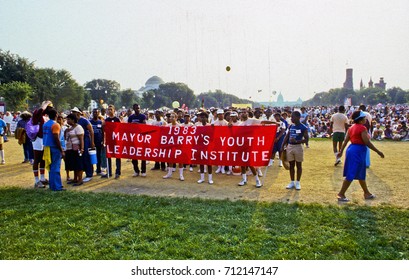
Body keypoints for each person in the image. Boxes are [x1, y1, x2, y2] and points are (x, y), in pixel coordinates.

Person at [336, 111, 385, 202]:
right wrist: (378, 151)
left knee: (360, 172)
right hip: (358, 151)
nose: (365, 119)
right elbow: (367, 142)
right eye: (364, 118)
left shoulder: (351, 128)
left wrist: (341, 151)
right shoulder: (362, 128)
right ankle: (341, 194)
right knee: (352, 173)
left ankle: (366, 193)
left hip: (352, 150)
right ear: (360, 120)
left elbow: (346, 141)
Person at [281, 111, 309, 190]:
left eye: (293, 117)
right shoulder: (291, 126)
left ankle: (298, 182)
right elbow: (287, 136)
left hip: (298, 147)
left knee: (299, 165)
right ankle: (292, 181)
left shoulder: (303, 127)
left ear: (298, 117)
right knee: (291, 165)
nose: (291, 118)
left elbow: (306, 139)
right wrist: (282, 145)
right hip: (290, 146)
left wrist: (297, 141)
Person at [31, 101, 53, 188]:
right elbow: (41, 109)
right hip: (38, 139)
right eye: (49, 108)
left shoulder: (46, 116)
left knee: (43, 159)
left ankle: (43, 178)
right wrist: (46, 103)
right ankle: (36, 180)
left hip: (44, 139)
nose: (50, 109)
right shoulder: (38, 113)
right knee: (37, 159)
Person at [42, 108, 65, 191]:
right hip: (54, 147)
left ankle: (52, 186)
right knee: (55, 167)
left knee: (51, 167)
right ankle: (57, 187)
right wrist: (61, 150)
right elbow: (56, 137)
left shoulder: (45, 124)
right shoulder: (55, 125)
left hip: (47, 147)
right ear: (56, 115)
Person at [71, 107, 95, 182]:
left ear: (78, 113)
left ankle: (89, 174)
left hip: (85, 139)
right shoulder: (75, 121)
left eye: (74, 112)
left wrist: (92, 142)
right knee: (80, 157)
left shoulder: (84, 120)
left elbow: (91, 131)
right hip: (78, 140)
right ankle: (83, 173)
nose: (73, 113)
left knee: (86, 156)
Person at [102, 105, 121, 179]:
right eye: (108, 109)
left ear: (114, 110)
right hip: (109, 141)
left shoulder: (117, 119)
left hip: (116, 140)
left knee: (117, 156)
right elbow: (104, 131)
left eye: (111, 109)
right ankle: (109, 172)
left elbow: (121, 129)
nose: (109, 111)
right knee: (108, 156)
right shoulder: (106, 121)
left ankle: (118, 172)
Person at [65, 113, 85, 186]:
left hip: (77, 148)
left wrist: (82, 148)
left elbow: (81, 139)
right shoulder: (69, 128)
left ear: (73, 120)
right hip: (70, 148)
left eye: (69, 119)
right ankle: (75, 179)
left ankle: (80, 180)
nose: (67, 121)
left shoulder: (78, 127)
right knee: (74, 164)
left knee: (79, 164)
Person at [127, 103, 147, 177]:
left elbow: (144, 125)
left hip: (141, 138)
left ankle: (143, 171)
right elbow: (128, 127)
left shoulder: (143, 116)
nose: (137, 109)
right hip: (133, 139)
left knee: (142, 155)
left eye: (138, 108)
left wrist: (136, 124)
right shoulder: (130, 117)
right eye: (136, 108)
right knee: (134, 155)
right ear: (133, 109)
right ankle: (136, 171)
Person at [90, 108, 104, 175]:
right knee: (91, 156)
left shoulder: (100, 122)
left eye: (96, 112)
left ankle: (98, 170)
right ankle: (91, 170)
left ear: (98, 113)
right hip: (91, 142)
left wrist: (103, 141)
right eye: (94, 112)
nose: (95, 114)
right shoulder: (89, 122)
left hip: (99, 141)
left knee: (99, 156)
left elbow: (103, 132)